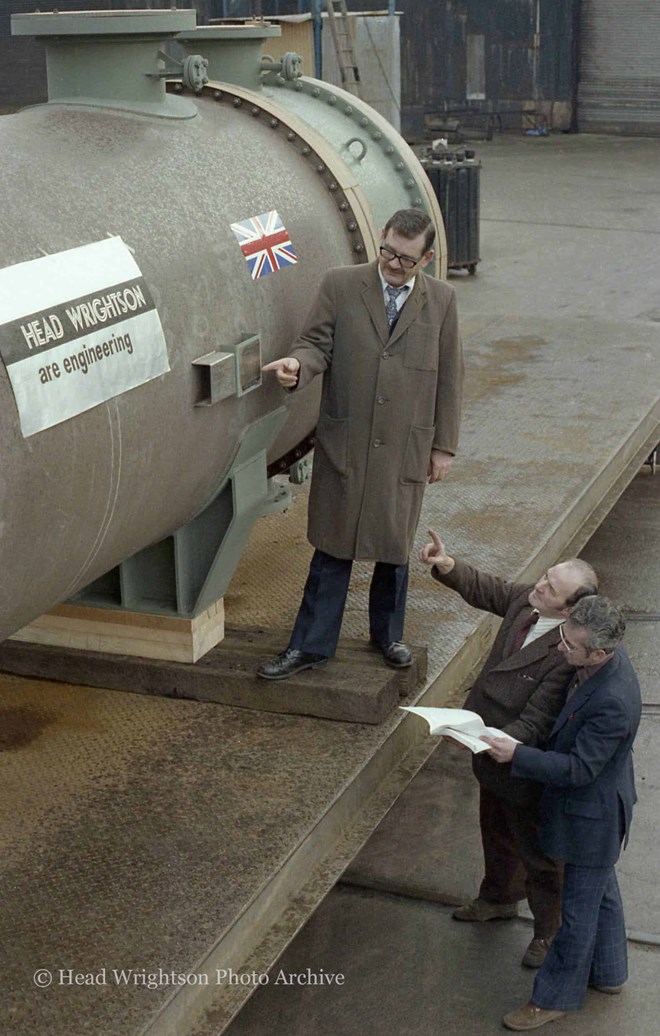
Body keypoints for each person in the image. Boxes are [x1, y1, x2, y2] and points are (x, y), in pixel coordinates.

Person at [257, 209, 464, 680]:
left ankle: (387, 636)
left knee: (394, 546)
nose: (393, 264)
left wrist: (444, 446)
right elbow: (314, 344)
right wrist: (296, 366)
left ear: (426, 258)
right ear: (381, 240)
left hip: (403, 446)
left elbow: (451, 376)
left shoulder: (443, 301)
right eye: (388, 251)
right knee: (333, 544)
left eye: (406, 259)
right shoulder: (341, 285)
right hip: (346, 439)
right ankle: (310, 646)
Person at [419, 529, 598, 968]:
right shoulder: (529, 601)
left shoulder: (566, 654)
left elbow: (537, 720)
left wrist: (490, 740)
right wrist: (449, 565)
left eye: (550, 587)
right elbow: (492, 589)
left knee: (538, 854)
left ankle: (547, 932)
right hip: (489, 750)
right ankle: (498, 897)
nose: (538, 585)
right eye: (544, 576)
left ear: (570, 609)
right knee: (494, 830)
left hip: (518, 759)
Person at [483, 596, 641, 1031]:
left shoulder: (613, 701)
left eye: (570, 646)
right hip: (601, 814)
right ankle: (609, 973)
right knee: (601, 889)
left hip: (591, 818)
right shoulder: (602, 657)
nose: (560, 649)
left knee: (577, 916)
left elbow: (578, 769)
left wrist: (518, 754)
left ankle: (554, 998)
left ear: (600, 653)